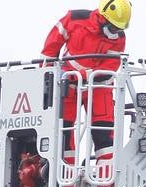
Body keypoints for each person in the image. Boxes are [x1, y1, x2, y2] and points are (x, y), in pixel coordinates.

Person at [41, 1, 132, 172]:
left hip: (99, 86)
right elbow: (50, 49)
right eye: (113, 28)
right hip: (67, 84)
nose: (116, 32)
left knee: (103, 132)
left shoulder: (118, 38)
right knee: (64, 133)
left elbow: (110, 66)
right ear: (102, 18)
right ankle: (64, 180)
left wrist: (84, 75)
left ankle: (105, 178)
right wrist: (48, 76)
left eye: (119, 29)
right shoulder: (74, 19)